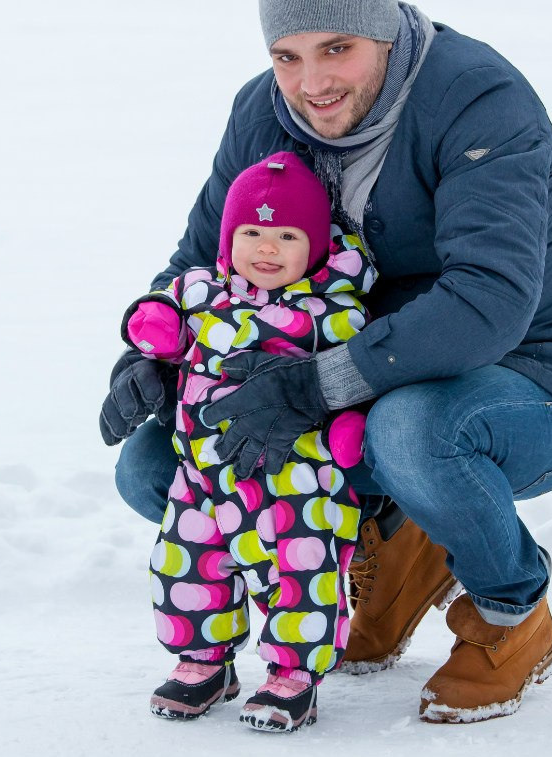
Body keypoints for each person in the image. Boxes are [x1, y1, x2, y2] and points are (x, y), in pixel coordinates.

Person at [101, 0, 552, 725]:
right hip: (365, 379)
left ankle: (510, 613)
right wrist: (150, 359)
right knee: (158, 461)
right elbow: (197, 261)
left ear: (382, 30)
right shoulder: (263, 111)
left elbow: (488, 301)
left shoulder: (481, 99)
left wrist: (319, 385)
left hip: (538, 373)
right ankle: (394, 549)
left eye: (336, 48)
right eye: (287, 55)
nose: (310, 82)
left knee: (410, 432)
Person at [116, 151, 376, 732]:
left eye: (286, 235)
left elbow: (356, 375)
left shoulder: (330, 313)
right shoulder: (202, 290)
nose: (266, 248)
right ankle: (203, 661)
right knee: (187, 563)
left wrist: (348, 424)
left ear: (314, 246)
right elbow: (162, 309)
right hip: (202, 471)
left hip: (294, 473)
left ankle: (293, 676)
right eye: (252, 232)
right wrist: (149, 330)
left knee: (301, 568)